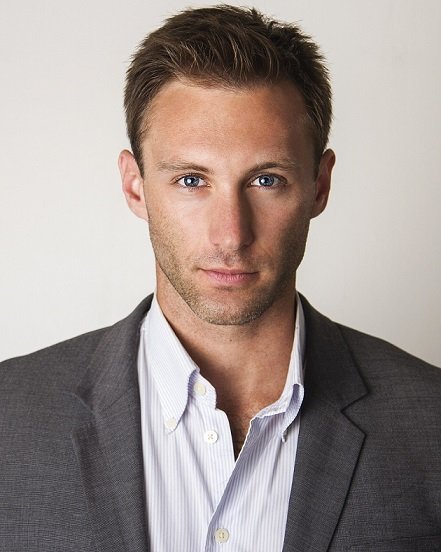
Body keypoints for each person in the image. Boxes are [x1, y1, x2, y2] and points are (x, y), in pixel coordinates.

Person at [1, 5, 440, 551]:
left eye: (266, 180)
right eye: (191, 180)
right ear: (135, 186)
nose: (230, 234)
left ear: (319, 186)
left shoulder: (429, 424)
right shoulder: (10, 419)